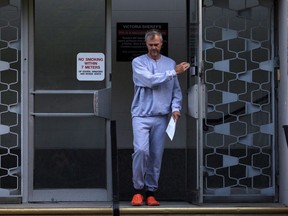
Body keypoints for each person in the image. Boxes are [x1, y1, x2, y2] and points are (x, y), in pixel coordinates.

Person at [130, 29, 190, 206]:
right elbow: (150, 80)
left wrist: (176, 108)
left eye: (156, 44)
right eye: (150, 45)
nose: (153, 48)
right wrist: (174, 71)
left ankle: (150, 192)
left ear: (162, 44)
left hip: (161, 117)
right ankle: (137, 190)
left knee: (156, 155)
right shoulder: (138, 62)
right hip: (141, 115)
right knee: (141, 151)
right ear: (146, 44)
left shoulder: (169, 63)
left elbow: (176, 91)